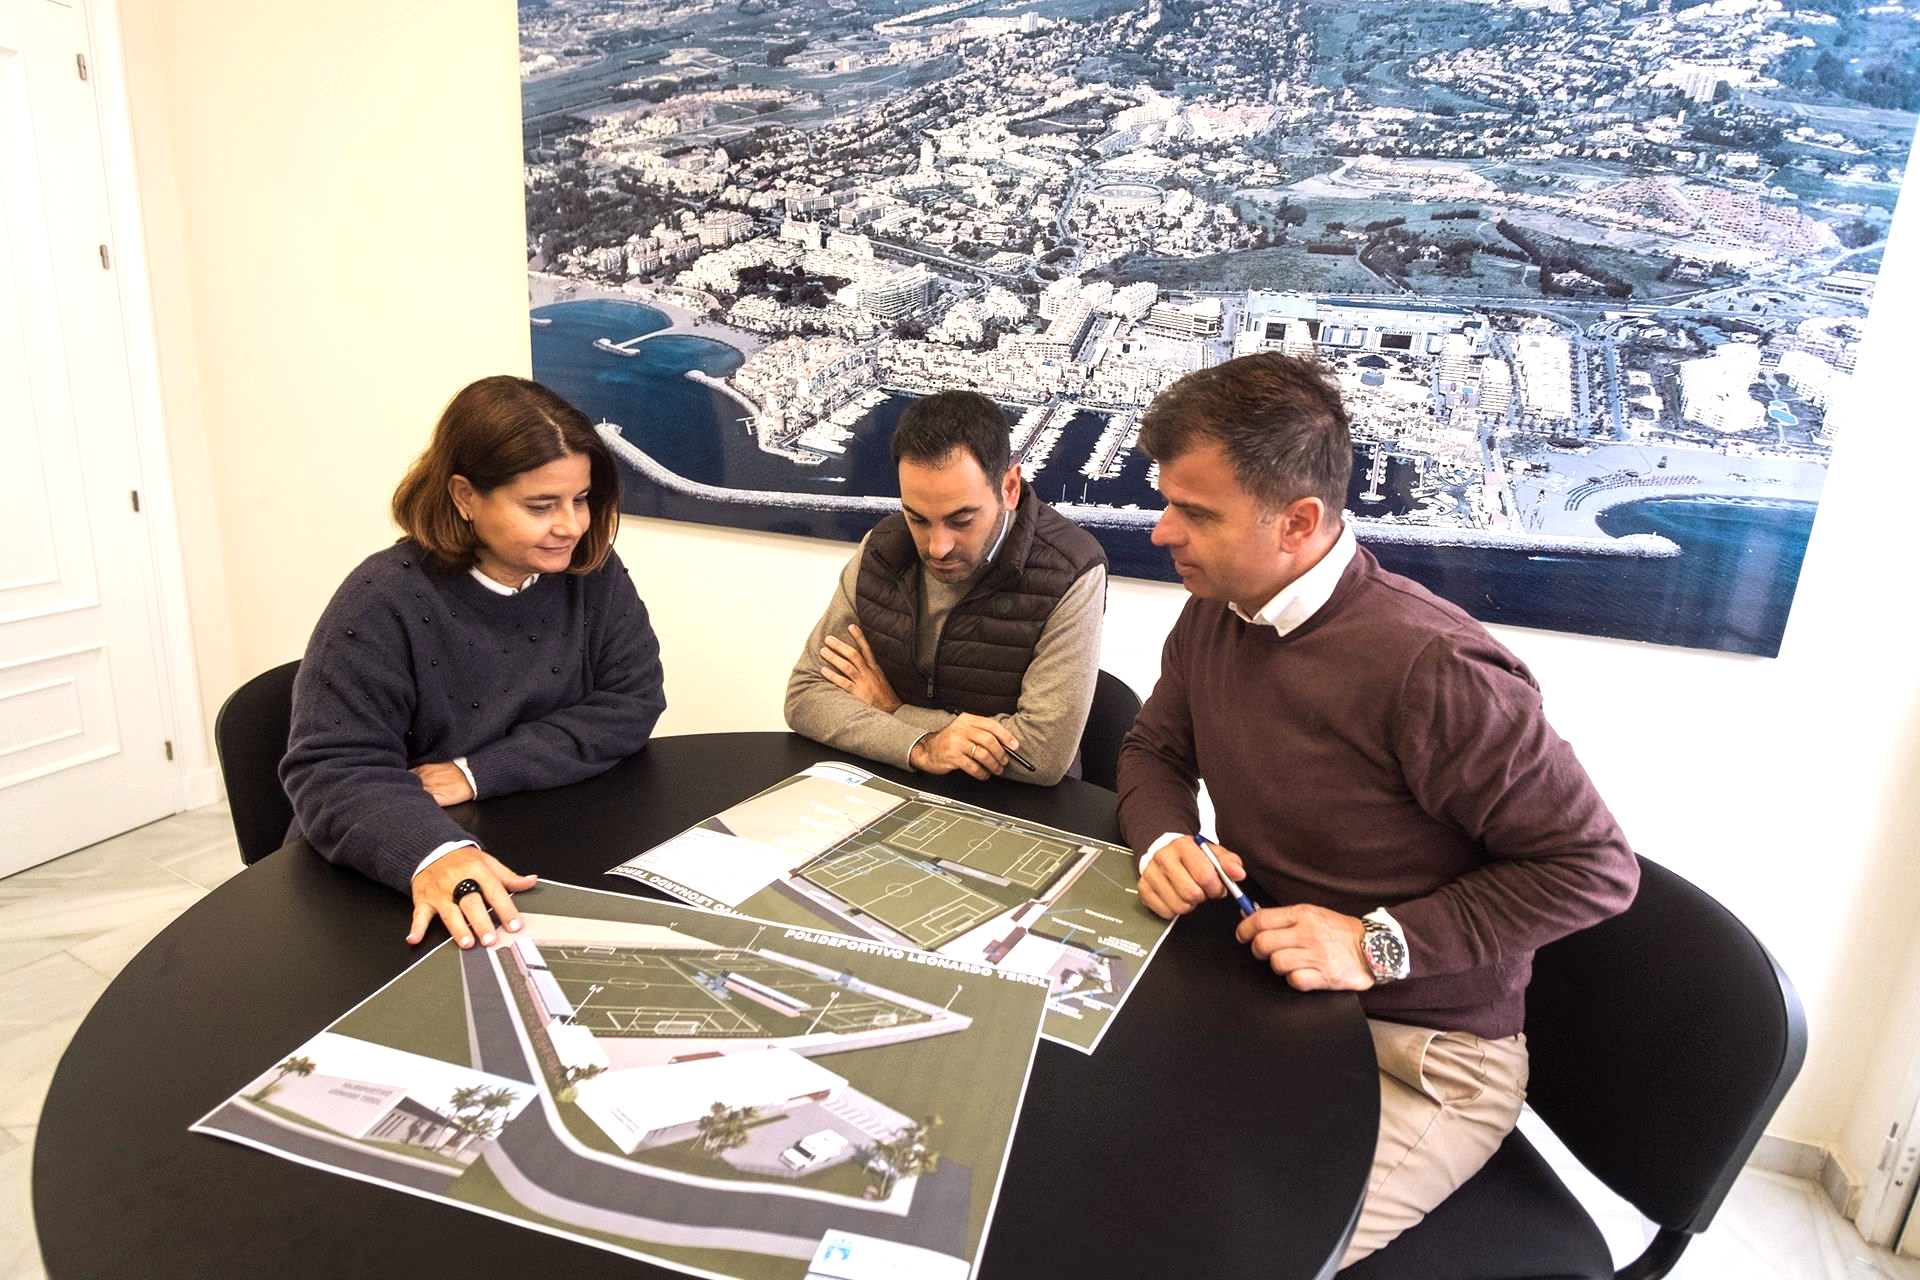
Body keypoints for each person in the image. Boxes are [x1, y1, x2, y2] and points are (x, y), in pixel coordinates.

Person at [1114, 353, 1638, 1266]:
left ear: (1298, 522)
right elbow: (1155, 750)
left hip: (1429, 1054)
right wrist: (1164, 837)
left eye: (1196, 513)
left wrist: (1373, 945)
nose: (1163, 531)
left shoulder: (1434, 668)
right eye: (1168, 503)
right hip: (1278, 998)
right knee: (1108, 1161)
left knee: (1223, 1255)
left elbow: (1593, 869)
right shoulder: (1218, 608)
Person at [282, 376, 666, 950]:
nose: (571, 526)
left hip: (525, 836)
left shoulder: (590, 570)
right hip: (387, 877)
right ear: (464, 497)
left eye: (581, 499)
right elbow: (331, 770)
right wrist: (435, 853)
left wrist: (476, 772)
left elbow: (631, 702)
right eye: (541, 505)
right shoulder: (381, 599)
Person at [784, 389, 1106, 785]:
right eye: (917, 518)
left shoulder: (1072, 571)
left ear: (1009, 488)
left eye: (961, 520)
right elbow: (805, 695)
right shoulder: (883, 548)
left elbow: (1043, 753)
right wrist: (921, 746)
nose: (937, 548)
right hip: (893, 782)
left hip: (1017, 805)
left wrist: (895, 711)